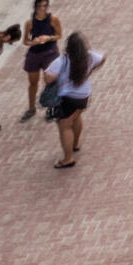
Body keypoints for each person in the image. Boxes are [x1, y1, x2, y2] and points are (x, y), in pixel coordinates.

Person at [44, 33, 102, 168]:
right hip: (84, 96)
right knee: (76, 118)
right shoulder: (90, 57)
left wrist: (47, 74)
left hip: (67, 98)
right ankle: (75, 144)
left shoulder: (61, 61)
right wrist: (90, 71)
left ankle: (68, 158)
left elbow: (48, 79)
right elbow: (102, 58)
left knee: (65, 127)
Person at [18, 0, 60, 122]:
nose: (43, 9)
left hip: (50, 52)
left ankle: (51, 107)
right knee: (33, 82)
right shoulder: (30, 23)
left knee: (50, 81)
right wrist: (33, 42)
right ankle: (31, 108)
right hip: (35, 53)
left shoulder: (53, 19)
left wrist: (48, 38)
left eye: (45, 6)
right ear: (35, 7)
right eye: (40, 6)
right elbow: (25, 40)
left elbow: (59, 34)